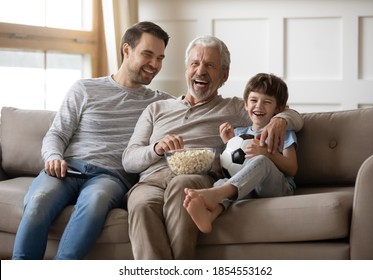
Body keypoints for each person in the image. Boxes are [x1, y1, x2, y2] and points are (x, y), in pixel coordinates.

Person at [122, 35, 303, 259]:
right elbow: (129, 160)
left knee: (185, 189)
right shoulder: (156, 109)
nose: (201, 71)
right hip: (152, 179)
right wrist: (157, 148)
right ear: (186, 69)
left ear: (224, 75)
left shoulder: (235, 108)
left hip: (196, 176)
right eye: (195, 64)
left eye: (210, 65)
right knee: (141, 205)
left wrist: (281, 119)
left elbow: (291, 114)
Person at [12, 21, 172, 260]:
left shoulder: (161, 104)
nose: (155, 65)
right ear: (126, 50)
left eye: (160, 58)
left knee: (95, 201)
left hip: (111, 177)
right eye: (147, 55)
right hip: (68, 169)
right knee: (38, 201)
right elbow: (57, 134)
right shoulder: (84, 89)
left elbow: (196, 110)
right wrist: (54, 157)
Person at [183, 73, 297, 234]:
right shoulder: (239, 133)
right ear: (245, 104)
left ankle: (215, 195)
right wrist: (229, 143)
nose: (259, 106)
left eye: (267, 102)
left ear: (278, 108)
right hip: (248, 188)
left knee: (261, 161)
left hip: (279, 188)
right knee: (223, 180)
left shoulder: (282, 132)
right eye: (254, 100)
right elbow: (233, 168)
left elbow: (292, 168)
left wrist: (267, 154)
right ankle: (210, 215)